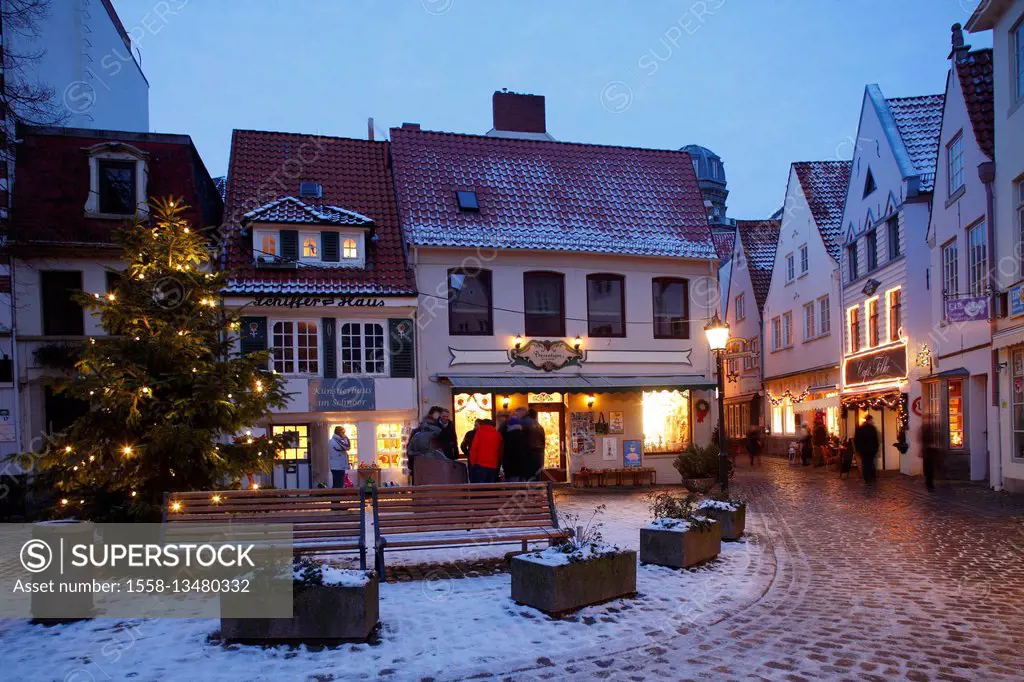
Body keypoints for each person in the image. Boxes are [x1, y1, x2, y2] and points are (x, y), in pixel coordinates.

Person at [406, 407, 443, 480]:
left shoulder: (433, 434)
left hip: (431, 464)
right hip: (417, 464)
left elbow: (439, 432)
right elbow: (409, 450)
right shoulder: (416, 433)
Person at [468, 418, 502, 483]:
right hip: (493, 465)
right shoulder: (497, 434)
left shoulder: (479, 432)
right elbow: (500, 450)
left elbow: (474, 449)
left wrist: (472, 462)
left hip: (480, 464)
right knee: (491, 487)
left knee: (480, 488)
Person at [501, 408, 528, 482]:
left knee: (513, 486)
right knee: (521, 485)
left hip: (511, 467)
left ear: (509, 426)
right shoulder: (524, 435)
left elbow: (507, 452)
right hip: (522, 466)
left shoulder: (508, 436)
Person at [853, 414, 880, 484]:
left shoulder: (860, 428)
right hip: (871, 450)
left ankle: (867, 478)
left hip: (864, 450)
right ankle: (871, 477)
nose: (872, 421)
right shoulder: (872, 428)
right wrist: (876, 448)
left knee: (866, 463)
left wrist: (858, 449)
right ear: (869, 420)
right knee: (870, 463)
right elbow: (876, 440)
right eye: (871, 420)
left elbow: (856, 440)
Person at [522, 408, 547, 481]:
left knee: (528, 477)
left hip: (528, 455)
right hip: (538, 455)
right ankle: (536, 491)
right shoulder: (539, 427)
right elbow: (543, 442)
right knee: (536, 477)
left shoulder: (525, 423)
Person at [919, 417, 940, 491]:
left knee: (929, 469)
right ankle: (929, 484)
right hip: (928, 452)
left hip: (929, 452)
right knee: (929, 469)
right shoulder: (926, 430)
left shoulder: (926, 429)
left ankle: (929, 484)